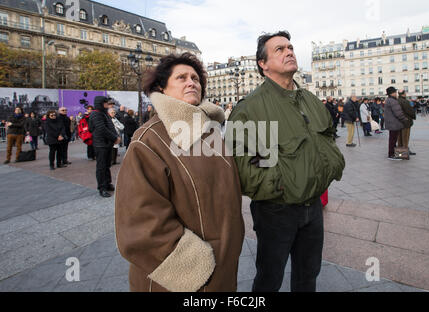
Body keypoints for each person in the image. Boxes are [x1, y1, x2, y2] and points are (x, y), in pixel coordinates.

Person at [115, 52, 245, 292]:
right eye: (182, 77)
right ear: (162, 88)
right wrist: (196, 267)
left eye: (196, 78)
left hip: (223, 264)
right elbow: (141, 224)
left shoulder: (211, 131)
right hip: (186, 279)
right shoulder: (149, 140)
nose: (191, 82)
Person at [228, 31, 345, 292]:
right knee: (269, 278)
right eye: (279, 49)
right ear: (263, 64)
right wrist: (283, 187)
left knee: (308, 275)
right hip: (276, 210)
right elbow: (246, 165)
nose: (289, 51)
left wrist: (330, 168)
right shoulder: (251, 108)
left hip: (313, 206)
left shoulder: (310, 100)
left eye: (290, 47)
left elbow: (327, 137)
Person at [88, 96, 120, 198]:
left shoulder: (103, 113)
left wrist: (115, 136)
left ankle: (107, 183)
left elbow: (110, 126)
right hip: (100, 144)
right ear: (101, 103)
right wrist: (114, 137)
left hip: (106, 143)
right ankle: (102, 188)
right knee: (101, 167)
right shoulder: (96, 114)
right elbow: (101, 128)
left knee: (106, 165)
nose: (108, 105)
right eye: (106, 103)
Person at [384, 87, 409, 161]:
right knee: (393, 140)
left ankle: (392, 153)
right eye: (395, 92)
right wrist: (404, 119)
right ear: (392, 93)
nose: (396, 93)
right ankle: (391, 155)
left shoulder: (389, 100)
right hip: (394, 123)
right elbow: (398, 113)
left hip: (392, 123)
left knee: (392, 139)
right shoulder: (392, 101)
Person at [397, 90, 416, 156]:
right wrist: (413, 116)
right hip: (406, 121)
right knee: (405, 137)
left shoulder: (397, 101)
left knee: (399, 137)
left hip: (398, 121)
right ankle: (405, 151)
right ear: (403, 94)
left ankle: (399, 152)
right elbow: (410, 111)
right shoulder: (405, 101)